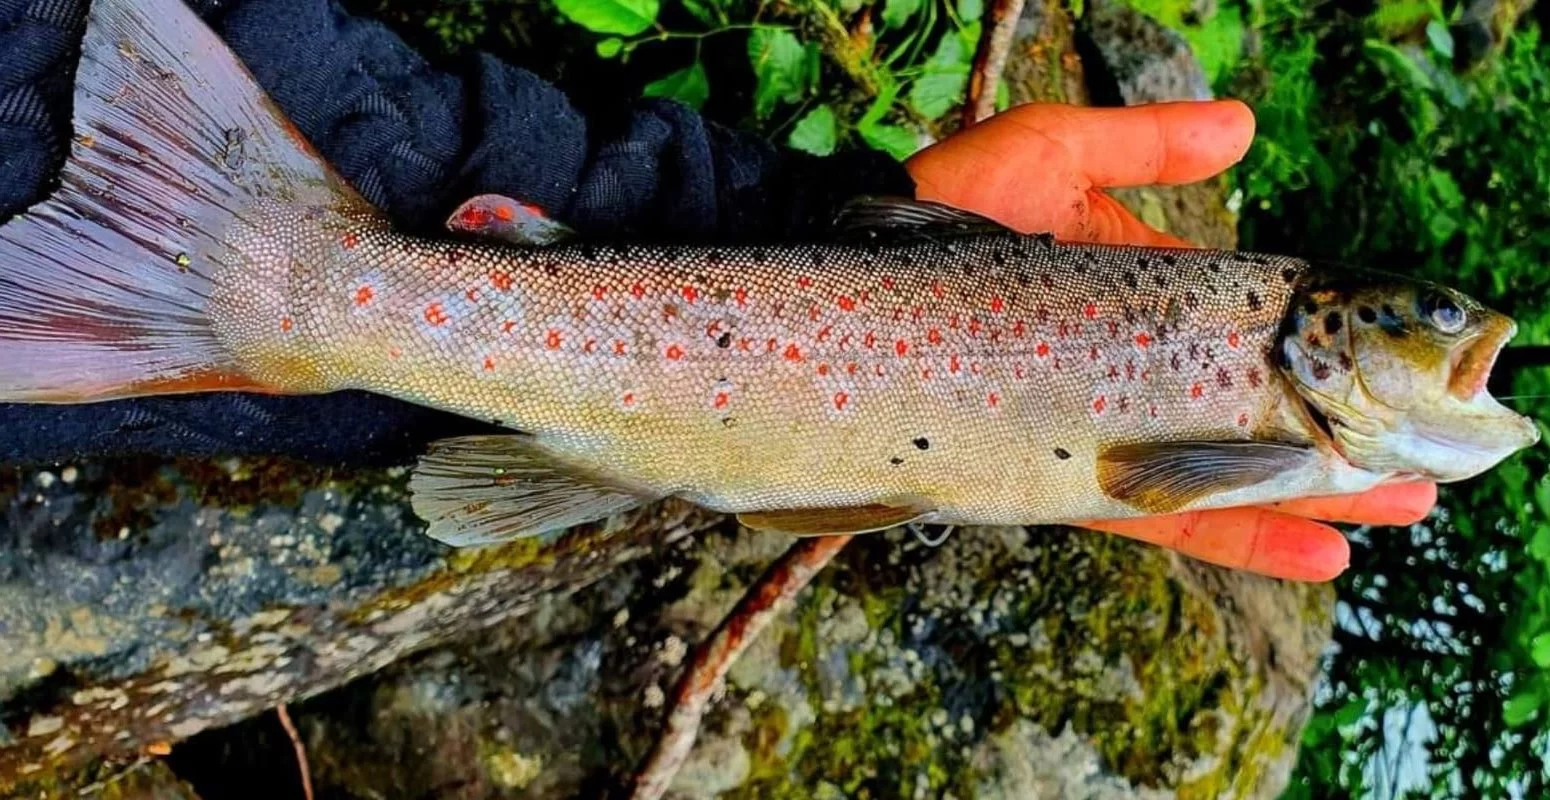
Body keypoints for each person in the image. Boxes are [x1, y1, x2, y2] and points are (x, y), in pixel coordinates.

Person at [0, 0, 1434, 582]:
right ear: (1335, 331)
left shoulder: (1268, 400)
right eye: (1425, 321)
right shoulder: (1266, 402)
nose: (1455, 347)